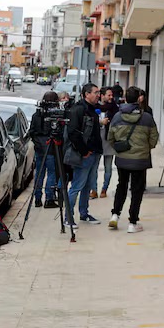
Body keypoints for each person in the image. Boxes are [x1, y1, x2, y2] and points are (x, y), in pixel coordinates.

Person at [107, 87, 159, 233]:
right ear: (138, 99)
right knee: (137, 190)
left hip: (122, 159)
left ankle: (115, 215)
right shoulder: (147, 117)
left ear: (125, 98)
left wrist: (120, 149)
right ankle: (132, 222)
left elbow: (110, 138)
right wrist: (145, 148)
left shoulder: (117, 117)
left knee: (121, 186)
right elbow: (154, 139)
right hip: (140, 160)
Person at [64, 83, 104, 227]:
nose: (98, 95)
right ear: (87, 94)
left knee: (88, 185)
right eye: (96, 92)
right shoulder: (79, 110)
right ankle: (68, 217)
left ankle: (84, 213)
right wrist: (84, 151)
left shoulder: (93, 110)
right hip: (84, 155)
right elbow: (73, 133)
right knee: (77, 186)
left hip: (94, 154)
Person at [28, 91, 62, 208]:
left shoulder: (36, 115)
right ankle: (49, 198)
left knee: (39, 173)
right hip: (50, 147)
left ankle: (37, 198)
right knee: (52, 173)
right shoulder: (55, 116)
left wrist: (37, 142)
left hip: (39, 148)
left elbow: (31, 132)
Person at [93, 87, 120, 199]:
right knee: (94, 168)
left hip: (109, 141)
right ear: (102, 95)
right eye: (108, 95)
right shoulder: (94, 107)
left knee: (108, 168)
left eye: (111, 95)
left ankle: (104, 189)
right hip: (97, 141)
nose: (111, 97)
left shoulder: (114, 108)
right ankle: (93, 190)